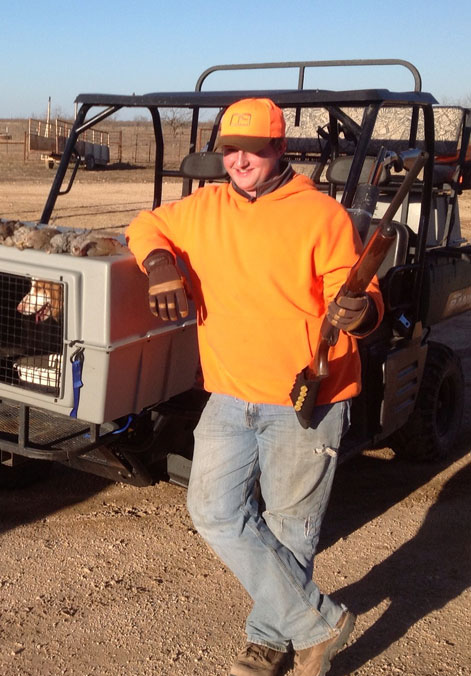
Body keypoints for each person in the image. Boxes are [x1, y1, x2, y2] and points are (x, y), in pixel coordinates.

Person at [125, 98, 383, 676]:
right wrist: (161, 264)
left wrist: (358, 310)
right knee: (213, 509)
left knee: (291, 528)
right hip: (230, 393)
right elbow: (145, 224)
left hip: (308, 395)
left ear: (280, 149)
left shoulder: (321, 215)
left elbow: (361, 295)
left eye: (255, 149)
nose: (240, 160)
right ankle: (319, 623)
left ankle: (268, 642)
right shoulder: (203, 207)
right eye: (230, 149)